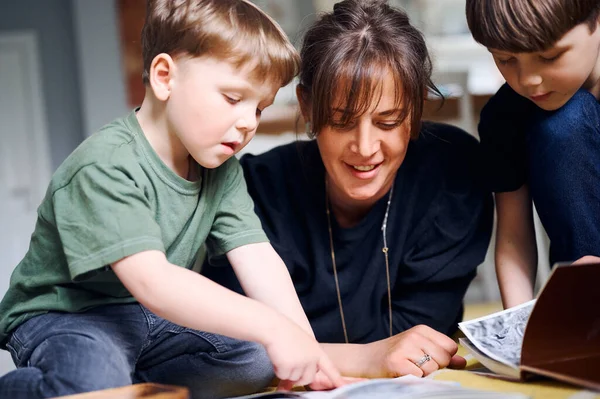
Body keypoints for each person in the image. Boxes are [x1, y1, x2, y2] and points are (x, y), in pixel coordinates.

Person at [0, 1, 345, 398]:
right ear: (165, 77)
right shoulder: (106, 164)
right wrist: (271, 324)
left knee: (256, 361)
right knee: (92, 380)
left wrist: (307, 350)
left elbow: (259, 260)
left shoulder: (221, 169)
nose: (249, 121)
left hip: (149, 320)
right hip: (68, 315)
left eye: (260, 107)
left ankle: (130, 381)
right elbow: (155, 283)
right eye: (234, 98)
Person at [203, 0, 493, 382]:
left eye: (388, 121)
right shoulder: (254, 192)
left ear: (416, 110)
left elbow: (422, 341)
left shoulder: (453, 175)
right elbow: (227, 348)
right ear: (307, 106)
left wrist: (305, 352)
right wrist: (368, 358)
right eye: (342, 122)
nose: (365, 147)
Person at [465, 0, 600, 308]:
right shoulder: (506, 116)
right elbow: (513, 237)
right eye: (505, 59)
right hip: (582, 296)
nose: (528, 79)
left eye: (549, 56)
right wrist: (518, 329)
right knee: (562, 123)